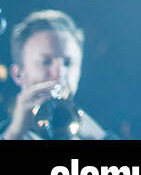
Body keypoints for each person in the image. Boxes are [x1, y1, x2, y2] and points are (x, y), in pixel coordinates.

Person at [2, 9, 113, 140]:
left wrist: (102, 137)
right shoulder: (9, 134)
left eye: (68, 63)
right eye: (46, 62)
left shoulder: (96, 134)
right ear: (18, 74)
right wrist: (13, 135)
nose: (60, 74)